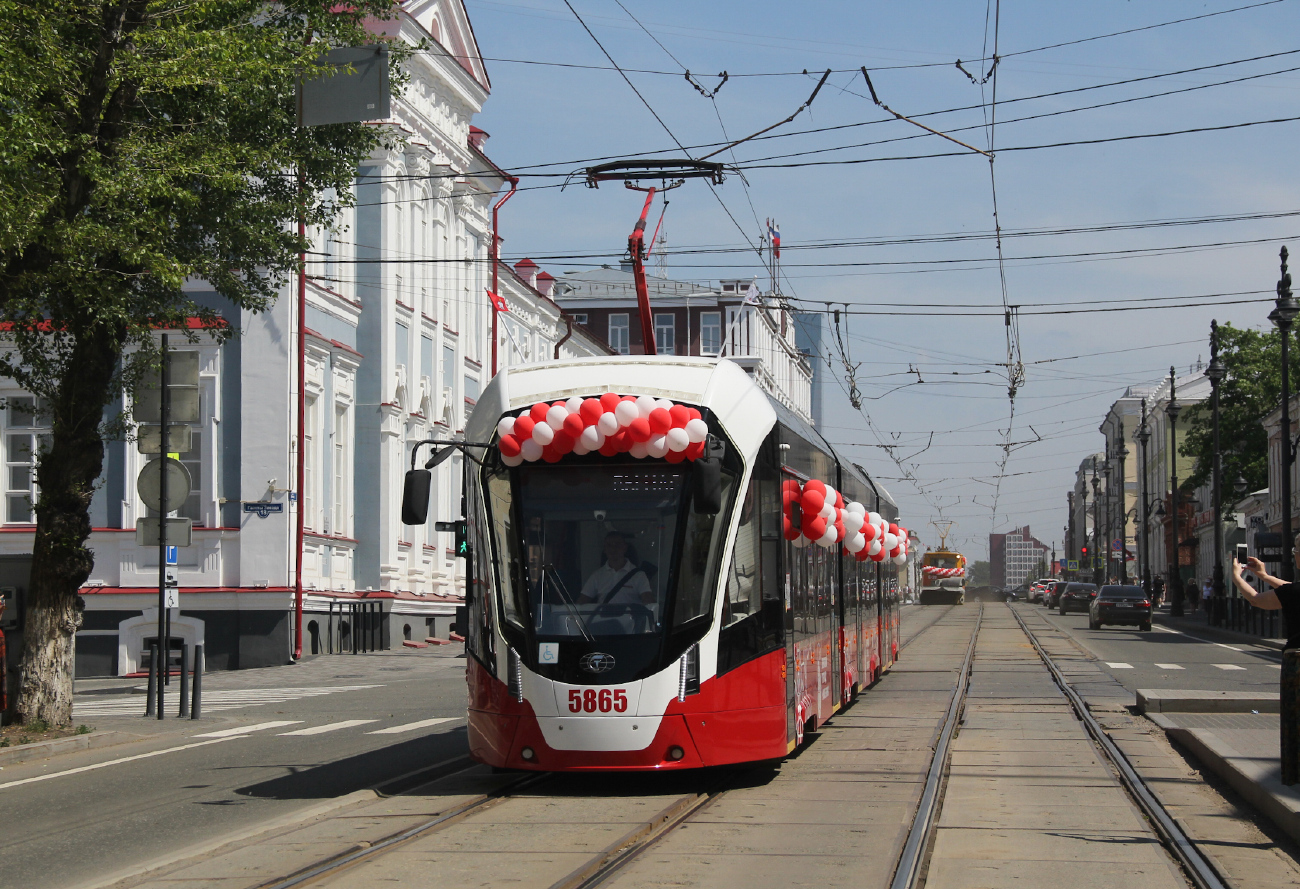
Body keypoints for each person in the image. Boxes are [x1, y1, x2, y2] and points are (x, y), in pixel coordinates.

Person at [1231, 548, 1300, 783]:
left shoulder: (1292, 592)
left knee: (1295, 720)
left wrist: (1237, 577)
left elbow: (1256, 599)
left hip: (1297, 662)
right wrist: (1264, 575)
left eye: (1295, 550)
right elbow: (1289, 589)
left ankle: (1295, 774)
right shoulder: (1291, 591)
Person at [578, 532, 653, 606]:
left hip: (630, 614)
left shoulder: (639, 575)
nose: (613, 548)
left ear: (625, 548)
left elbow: (648, 601)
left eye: (617, 544)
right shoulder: (597, 575)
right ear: (605, 549)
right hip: (604, 614)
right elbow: (581, 602)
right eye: (609, 545)